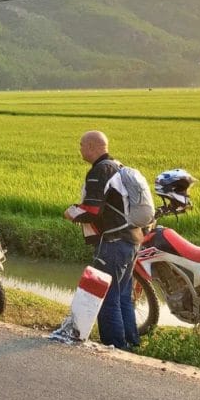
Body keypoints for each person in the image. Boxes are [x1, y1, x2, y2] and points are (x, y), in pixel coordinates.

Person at [63, 130, 140, 349]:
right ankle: (131, 343)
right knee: (123, 296)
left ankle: (115, 347)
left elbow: (92, 210)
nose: (79, 149)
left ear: (91, 146)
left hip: (113, 242)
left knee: (107, 297)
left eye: (81, 145)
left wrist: (70, 213)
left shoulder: (99, 170)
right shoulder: (118, 166)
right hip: (132, 239)